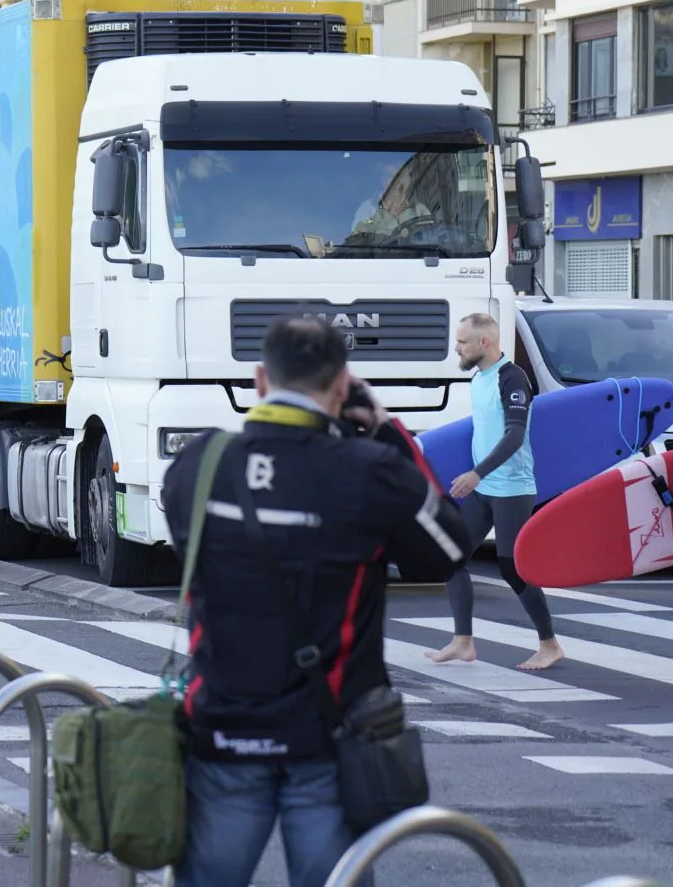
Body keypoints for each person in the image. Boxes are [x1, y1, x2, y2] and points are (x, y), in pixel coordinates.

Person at [162, 317, 472, 887]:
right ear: (340, 387)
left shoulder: (199, 466)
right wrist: (387, 432)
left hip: (222, 732)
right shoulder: (371, 472)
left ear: (260, 379)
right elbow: (449, 549)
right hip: (328, 743)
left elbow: (191, 553)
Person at [427, 313, 564, 671]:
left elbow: (515, 436)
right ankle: (463, 641)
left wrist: (476, 473)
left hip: (512, 488)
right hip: (484, 486)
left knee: (512, 568)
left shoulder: (512, 378)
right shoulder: (480, 377)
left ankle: (549, 645)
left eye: (461, 342)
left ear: (483, 343)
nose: (456, 347)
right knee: (451, 556)